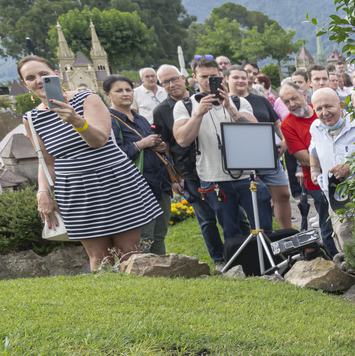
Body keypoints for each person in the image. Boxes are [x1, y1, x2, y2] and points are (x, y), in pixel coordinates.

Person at [18, 57, 162, 270]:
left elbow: (100, 140)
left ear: (56, 74)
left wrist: (76, 120)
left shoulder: (87, 98)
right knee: (98, 258)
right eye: (30, 78)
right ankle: (109, 302)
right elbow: (46, 161)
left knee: (129, 252)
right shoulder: (31, 118)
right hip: (75, 190)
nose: (39, 80)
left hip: (114, 179)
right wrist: (43, 192)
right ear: (24, 85)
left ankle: (137, 299)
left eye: (43, 74)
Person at [172, 60, 272, 246]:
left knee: (263, 223)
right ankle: (239, 266)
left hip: (246, 176)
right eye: (204, 77)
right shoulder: (185, 106)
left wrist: (229, 107)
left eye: (214, 76)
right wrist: (198, 114)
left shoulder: (238, 102)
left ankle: (270, 261)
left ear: (222, 77)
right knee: (230, 229)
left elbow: (254, 131)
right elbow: (182, 139)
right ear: (194, 78)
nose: (210, 81)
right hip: (214, 177)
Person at [152, 65, 225, 264]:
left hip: (216, 166)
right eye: (165, 82)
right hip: (188, 170)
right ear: (161, 85)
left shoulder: (202, 98)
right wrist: (174, 177)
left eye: (174, 79)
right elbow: (164, 148)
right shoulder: (161, 111)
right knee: (206, 219)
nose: (171, 84)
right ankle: (219, 259)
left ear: (184, 78)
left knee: (230, 215)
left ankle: (239, 252)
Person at [105, 75, 177, 256]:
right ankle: (145, 275)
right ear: (107, 95)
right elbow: (112, 154)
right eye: (119, 90)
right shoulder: (110, 120)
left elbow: (151, 148)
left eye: (128, 90)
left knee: (159, 234)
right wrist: (141, 144)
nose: (125, 94)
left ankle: (163, 270)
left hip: (159, 183)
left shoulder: (141, 119)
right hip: (136, 187)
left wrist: (159, 147)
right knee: (144, 236)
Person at [226, 67, 293, 231]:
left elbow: (276, 124)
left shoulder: (260, 100)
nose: (241, 80)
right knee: (257, 200)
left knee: (283, 195)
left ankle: (287, 232)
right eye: (236, 77)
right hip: (242, 160)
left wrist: (284, 140)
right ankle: (260, 235)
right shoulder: (224, 103)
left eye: (244, 77)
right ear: (226, 79)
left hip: (269, 155)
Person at [307, 88, 355, 259]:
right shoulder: (316, 127)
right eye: (319, 109)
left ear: (341, 105)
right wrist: (314, 169)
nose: (324, 113)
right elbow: (313, 149)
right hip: (335, 198)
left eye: (329, 107)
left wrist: (352, 167)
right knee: (344, 237)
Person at [279, 83, 336, 257]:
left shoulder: (322, 109)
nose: (292, 104)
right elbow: (304, 158)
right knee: (327, 223)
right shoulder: (287, 125)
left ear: (304, 93)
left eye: (294, 98)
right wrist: (332, 161)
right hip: (317, 181)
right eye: (286, 102)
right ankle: (335, 261)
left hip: (345, 174)